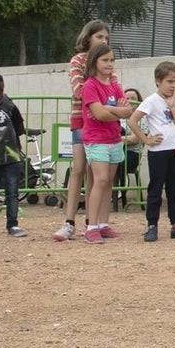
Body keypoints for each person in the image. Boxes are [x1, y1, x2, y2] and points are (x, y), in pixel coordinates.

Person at [54, 20, 112, 241]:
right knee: (77, 169)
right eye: (99, 37)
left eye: (105, 38)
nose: (103, 41)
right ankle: (69, 222)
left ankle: (92, 222)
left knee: (93, 174)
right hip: (82, 120)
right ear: (88, 38)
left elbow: (113, 92)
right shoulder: (78, 60)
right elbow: (78, 90)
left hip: (100, 123)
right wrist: (99, 90)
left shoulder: (106, 62)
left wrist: (103, 97)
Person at [128, 62, 175, 242]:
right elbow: (132, 121)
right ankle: (152, 226)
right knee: (155, 189)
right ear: (158, 81)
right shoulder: (151, 101)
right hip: (158, 151)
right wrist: (145, 140)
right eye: (169, 81)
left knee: (174, 189)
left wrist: (172, 106)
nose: (173, 86)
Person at [80, 43, 133, 244]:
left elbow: (127, 111)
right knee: (100, 180)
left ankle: (103, 224)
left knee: (108, 182)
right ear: (94, 62)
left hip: (114, 138)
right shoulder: (90, 86)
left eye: (111, 60)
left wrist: (109, 110)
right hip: (96, 139)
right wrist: (114, 111)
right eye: (105, 60)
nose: (109, 64)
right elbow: (99, 114)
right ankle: (91, 226)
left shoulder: (114, 86)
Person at [0, 74, 28, 238]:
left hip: (11, 157)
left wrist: (15, 143)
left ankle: (12, 225)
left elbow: (19, 126)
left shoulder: (9, 105)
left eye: (1, 90)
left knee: (12, 192)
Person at [112, 87, 144, 212]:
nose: (130, 101)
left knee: (119, 163)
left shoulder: (142, 117)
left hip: (132, 153)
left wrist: (116, 138)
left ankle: (120, 198)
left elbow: (136, 138)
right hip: (115, 149)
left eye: (133, 99)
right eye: (127, 99)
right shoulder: (117, 116)